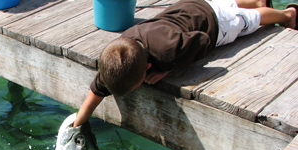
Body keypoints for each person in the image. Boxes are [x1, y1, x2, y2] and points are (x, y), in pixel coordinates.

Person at [73, 0, 298, 127]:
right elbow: (97, 91)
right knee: (226, 4)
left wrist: (169, 68)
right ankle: (255, 1)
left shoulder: (169, 52)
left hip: (216, 24)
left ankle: (286, 15)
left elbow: (202, 40)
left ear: (149, 68)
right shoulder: (116, 57)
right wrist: (78, 124)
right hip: (190, 6)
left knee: (249, 19)